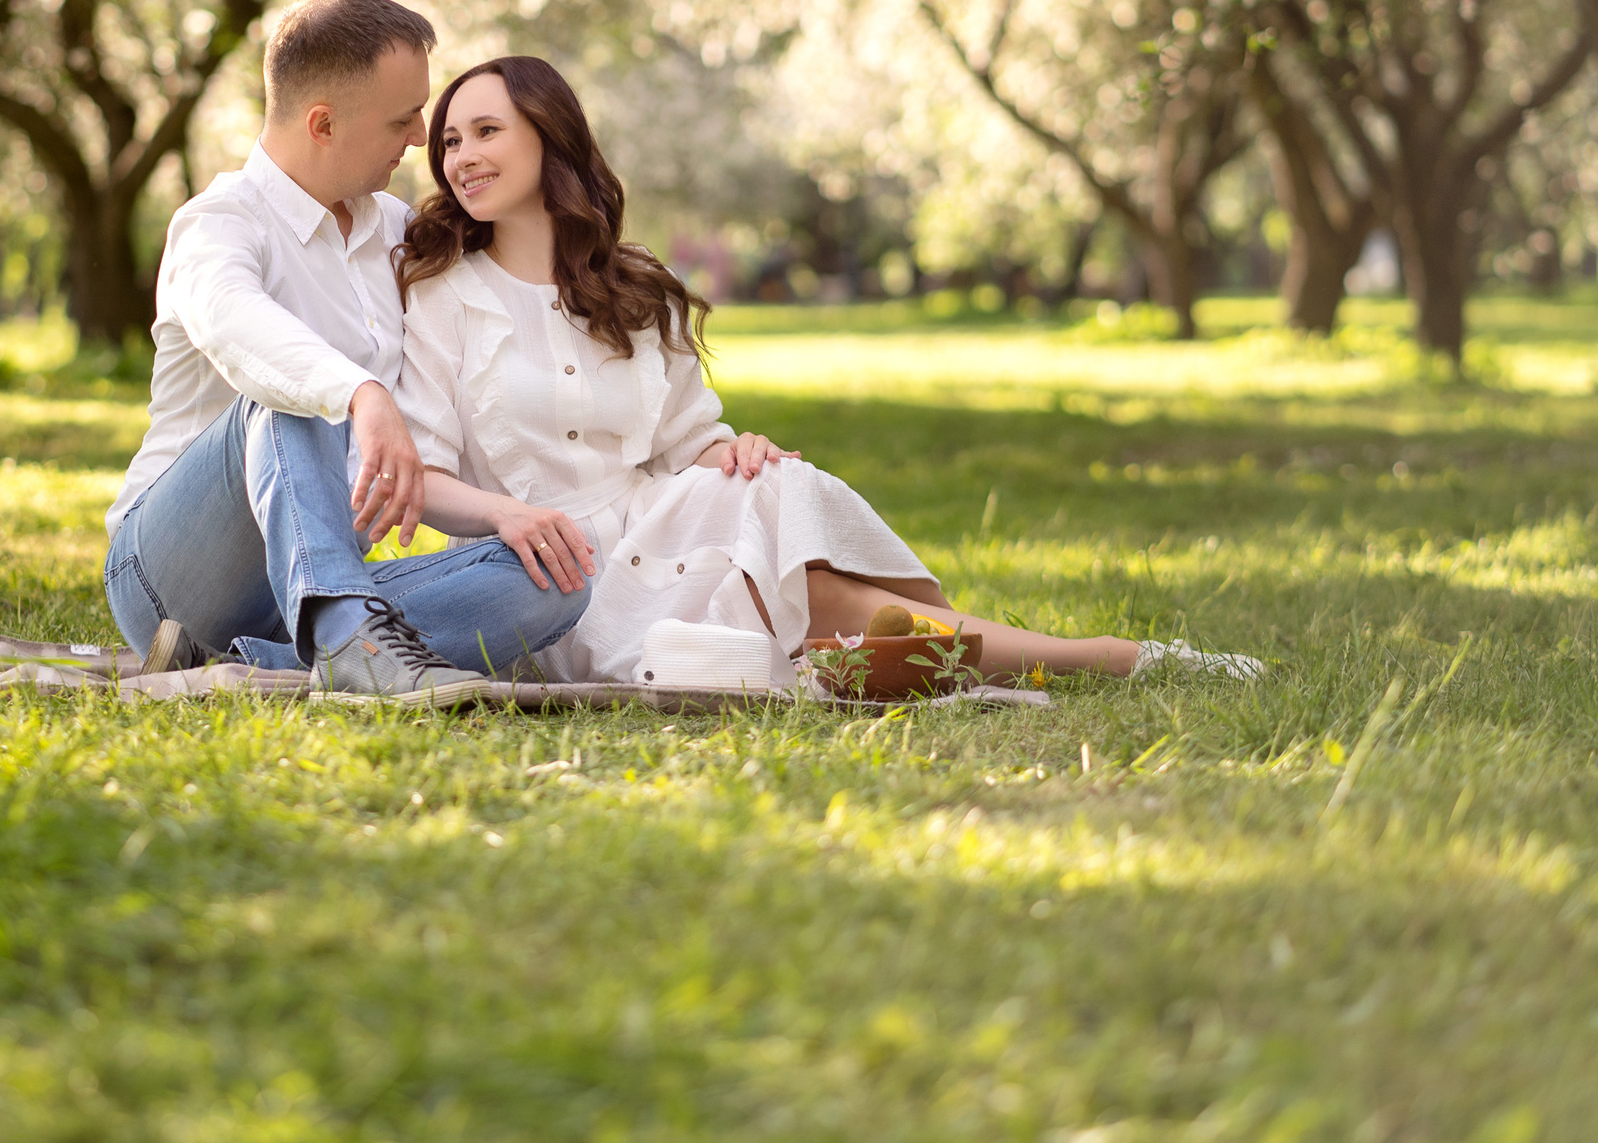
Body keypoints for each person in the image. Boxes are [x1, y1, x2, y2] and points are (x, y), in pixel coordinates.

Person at [391, 55, 1262, 690]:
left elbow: (688, 441)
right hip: (555, 578)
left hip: (665, 518)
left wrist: (731, 452)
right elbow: (422, 479)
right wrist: (508, 512)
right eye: (450, 139)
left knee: (779, 499)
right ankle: (1098, 658)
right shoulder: (437, 296)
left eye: (486, 131)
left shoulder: (632, 287)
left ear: (550, 135)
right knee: (813, 599)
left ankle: (918, 658)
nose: (461, 155)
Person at [102, 0, 589, 706]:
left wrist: (499, 513)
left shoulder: (396, 231)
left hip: (316, 581)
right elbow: (238, 325)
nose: (423, 135)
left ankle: (266, 656)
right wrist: (359, 393)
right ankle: (341, 638)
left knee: (556, 577)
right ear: (322, 123)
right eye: (403, 117)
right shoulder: (217, 223)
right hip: (175, 576)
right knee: (287, 398)